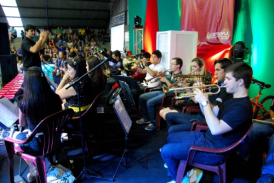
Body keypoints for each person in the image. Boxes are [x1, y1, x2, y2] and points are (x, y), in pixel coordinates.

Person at [161, 62, 253, 183]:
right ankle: (183, 170)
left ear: (240, 82)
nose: (225, 82)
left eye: (228, 79)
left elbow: (216, 129)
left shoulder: (242, 107)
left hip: (214, 151)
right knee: (172, 136)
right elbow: (213, 113)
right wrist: (201, 97)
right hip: (207, 139)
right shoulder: (233, 99)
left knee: (166, 151)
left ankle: (178, 179)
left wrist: (205, 102)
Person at [12, 66, 62, 182]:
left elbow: (22, 123)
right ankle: (47, 163)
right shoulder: (55, 98)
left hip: (36, 144)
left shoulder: (24, 103)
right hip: (54, 140)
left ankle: (33, 167)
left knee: (15, 137)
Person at [163, 58, 233, 134]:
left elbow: (213, 109)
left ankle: (176, 138)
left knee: (172, 129)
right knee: (169, 116)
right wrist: (200, 91)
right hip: (200, 114)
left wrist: (202, 95)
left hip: (205, 118)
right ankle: (175, 137)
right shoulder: (216, 85)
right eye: (191, 66)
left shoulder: (226, 90)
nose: (215, 73)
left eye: (218, 70)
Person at [136, 57, 183, 131]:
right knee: (142, 97)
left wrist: (166, 80)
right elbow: (163, 82)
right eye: (171, 63)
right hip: (162, 91)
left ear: (178, 65)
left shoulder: (180, 77)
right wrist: (160, 77)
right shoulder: (170, 73)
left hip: (169, 96)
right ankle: (145, 118)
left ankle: (153, 123)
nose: (170, 65)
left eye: (172, 64)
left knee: (150, 102)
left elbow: (176, 90)